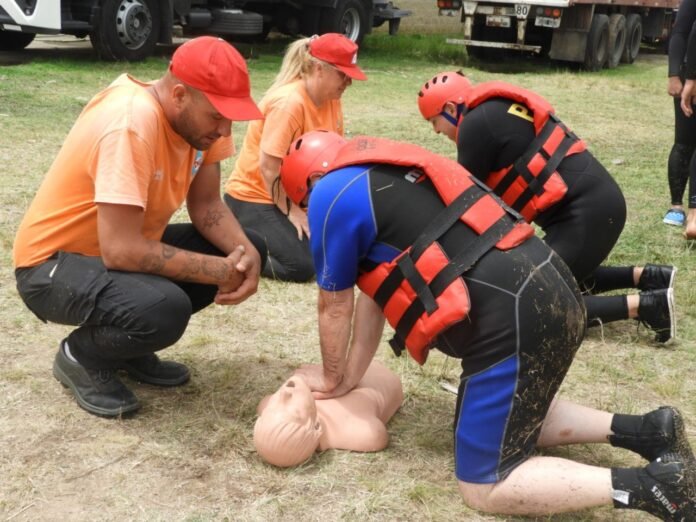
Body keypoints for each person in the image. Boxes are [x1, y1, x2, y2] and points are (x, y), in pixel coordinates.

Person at [277, 131, 696, 519]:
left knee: (485, 484)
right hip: (550, 280)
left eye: (304, 206)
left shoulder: (330, 193)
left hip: (511, 313)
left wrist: (329, 377)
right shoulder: (383, 172)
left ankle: (655, 486)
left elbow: (334, 307)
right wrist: (347, 378)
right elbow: (375, 297)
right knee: (506, 418)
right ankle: (647, 431)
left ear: (310, 183)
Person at [12, 36, 266, 418]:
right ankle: (81, 355)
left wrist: (246, 258)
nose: (226, 130)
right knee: (165, 309)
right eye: (217, 116)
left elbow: (207, 204)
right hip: (49, 267)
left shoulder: (197, 126)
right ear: (179, 95)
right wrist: (220, 271)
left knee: (244, 247)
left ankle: (127, 347)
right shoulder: (131, 123)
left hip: (111, 253)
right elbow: (122, 250)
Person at [418, 71, 676, 343]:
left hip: (587, 214)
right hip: (595, 206)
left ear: (450, 109)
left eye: (434, 121)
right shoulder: (491, 111)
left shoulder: (474, 126)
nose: (436, 131)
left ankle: (649, 307)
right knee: (550, 273)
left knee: (526, 300)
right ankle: (650, 277)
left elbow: (462, 201)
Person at [223, 33, 366, 282]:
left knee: (345, 246)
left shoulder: (332, 100)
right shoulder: (289, 103)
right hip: (255, 197)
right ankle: (234, 243)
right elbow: (269, 168)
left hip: (295, 197)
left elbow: (332, 158)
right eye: (343, 75)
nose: (348, 83)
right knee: (301, 266)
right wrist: (294, 213)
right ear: (319, 69)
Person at [253, 361, 403, 467]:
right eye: (295, 411)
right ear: (316, 427)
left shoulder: (268, 406)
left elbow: (264, 405)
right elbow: (377, 436)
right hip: (379, 375)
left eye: (272, 408)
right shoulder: (356, 429)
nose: (284, 394)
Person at [671, 0, 696, 237]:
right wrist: (675, 75)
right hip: (690, 72)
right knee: (684, 141)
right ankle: (677, 206)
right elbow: (681, 32)